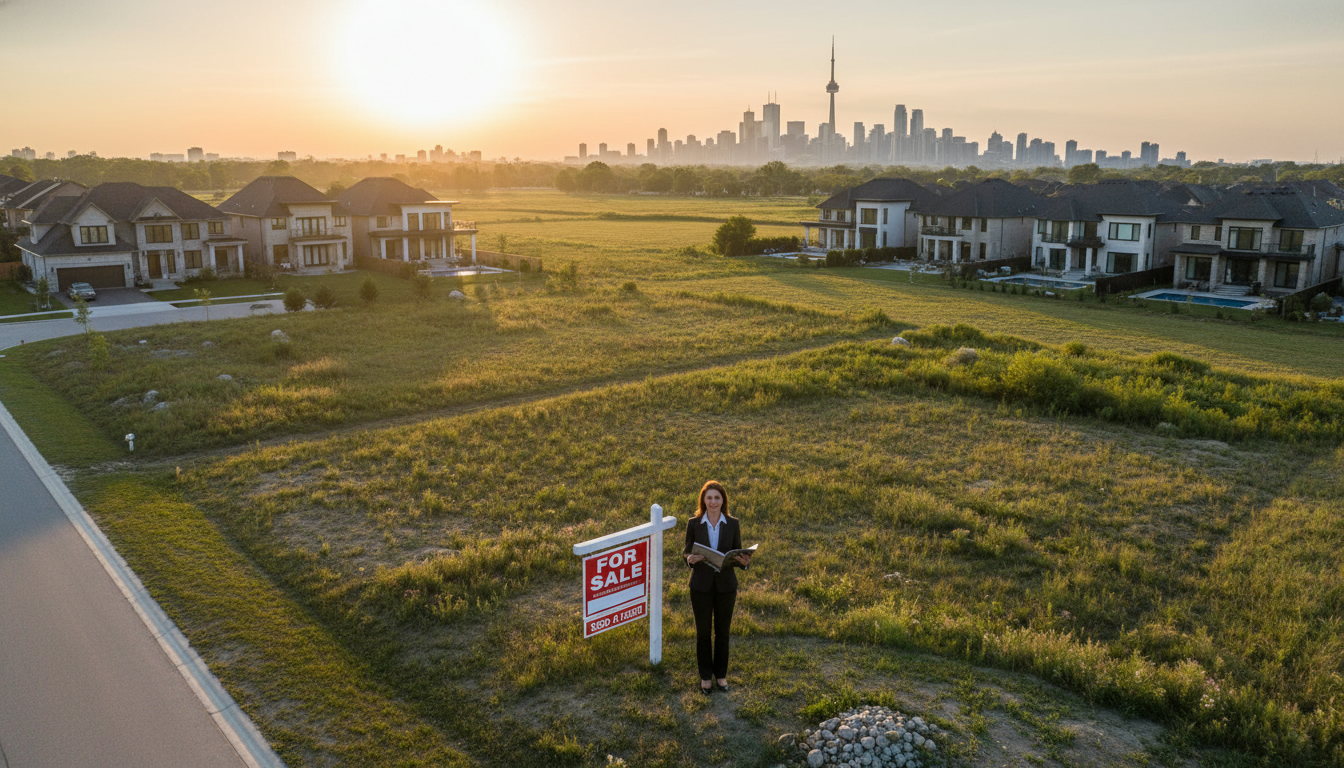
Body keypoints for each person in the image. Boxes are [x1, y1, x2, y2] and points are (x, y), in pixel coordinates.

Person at [683, 480, 751, 695]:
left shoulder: (732, 523)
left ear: (723, 501)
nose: (713, 502)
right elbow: (686, 552)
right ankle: (705, 677)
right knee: (703, 633)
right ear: (703, 499)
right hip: (700, 586)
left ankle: (721, 675)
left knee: (723, 632)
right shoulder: (694, 523)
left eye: (717, 498)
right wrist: (690, 559)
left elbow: (737, 552)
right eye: (709, 497)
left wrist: (744, 562)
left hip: (726, 586)